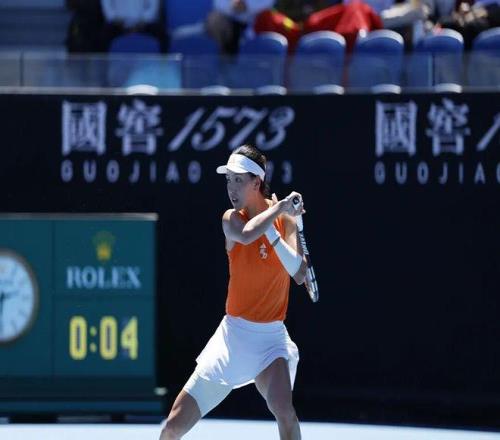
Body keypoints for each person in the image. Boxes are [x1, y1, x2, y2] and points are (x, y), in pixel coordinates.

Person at [159, 144, 308, 440]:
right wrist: (279, 208)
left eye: (238, 180)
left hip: (271, 341)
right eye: (228, 180)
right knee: (173, 427)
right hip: (233, 339)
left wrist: (281, 219)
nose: (231, 188)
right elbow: (248, 234)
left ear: (257, 182)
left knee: (285, 411)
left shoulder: (286, 220)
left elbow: (301, 273)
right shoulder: (231, 219)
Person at [206, 0, 276, 54]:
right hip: (225, 22)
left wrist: (247, 5)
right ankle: (226, 62)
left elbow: (268, 3)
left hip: (255, 23)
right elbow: (218, 4)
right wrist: (232, 6)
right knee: (217, 21)